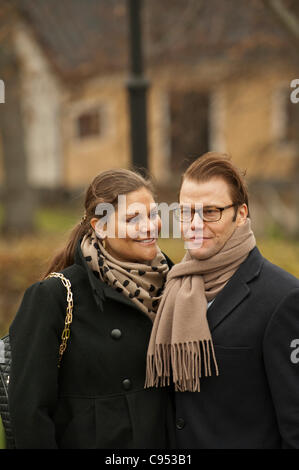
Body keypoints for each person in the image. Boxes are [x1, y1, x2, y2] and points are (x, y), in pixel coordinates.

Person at [9, 168, 175, 449]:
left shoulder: (173, 285)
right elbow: (30, 413)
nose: (150, 226)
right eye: (133, 218)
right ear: (101, 227)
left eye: (153, 214)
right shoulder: (55, 296)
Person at [146, 152, 299, 449]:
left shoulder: (284, 298)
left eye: (210, 212)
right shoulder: (172, 285)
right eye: (186, 211)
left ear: (240, 214)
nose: (195, 224)